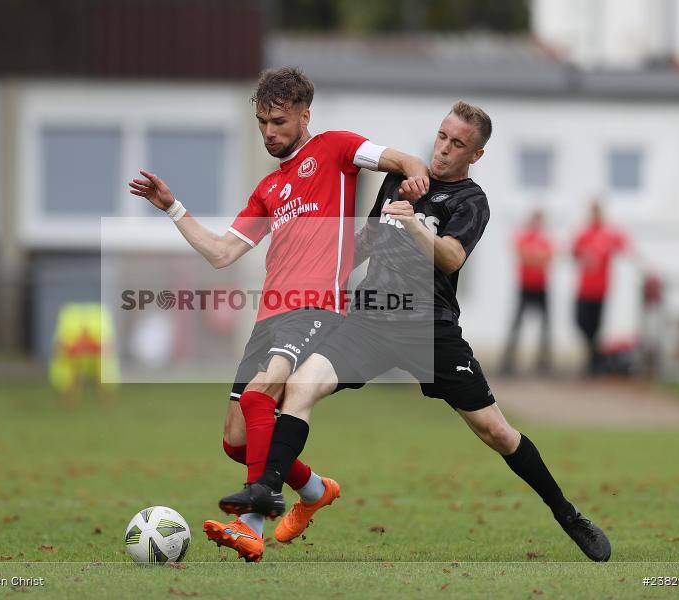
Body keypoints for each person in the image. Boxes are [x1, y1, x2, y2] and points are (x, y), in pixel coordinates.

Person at [219, 101, 612, 563]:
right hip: (369, 319)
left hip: (430, 330)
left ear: (476, 155)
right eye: (442, 137)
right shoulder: (401, 179)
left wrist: (412, 224)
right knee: (299, 388)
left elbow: (450, 257)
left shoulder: (471, 201)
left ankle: (568, 515)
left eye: (457, 144)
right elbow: (364, 240)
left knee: (496, 432)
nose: (443, 150)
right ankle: (266, 494)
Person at [128, 66, 430, 561]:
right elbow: (222, 252)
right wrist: (172, 207)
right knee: (236, 440)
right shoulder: (269, 189)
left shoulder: (335, 149)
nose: (269, 132)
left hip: (315, 308)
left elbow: (401, 158)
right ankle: (313, 491)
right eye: (262, 123)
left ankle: (252, 523)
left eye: (279, 122)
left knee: (262, 394)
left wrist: (416, 178)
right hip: (268, 317)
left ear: (304, 115)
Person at [572, 200, 630, 375]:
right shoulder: (584, 234)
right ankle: (597, 357)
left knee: (596, 326)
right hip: (584, 288)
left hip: (600, 289)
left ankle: (594, 363)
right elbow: (574, 253)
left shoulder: (609, 234)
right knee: (581, 321)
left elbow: (625, 247)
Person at [500, 209, 554, 375]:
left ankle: (543, 363)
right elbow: (524, 255)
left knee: (546, 326)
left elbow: (546, 258)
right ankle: (508, 362)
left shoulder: (545, 239)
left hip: (541, 286)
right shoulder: (523, 237)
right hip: (525, 286)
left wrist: (535, 257)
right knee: (516, 325)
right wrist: (536, 257)